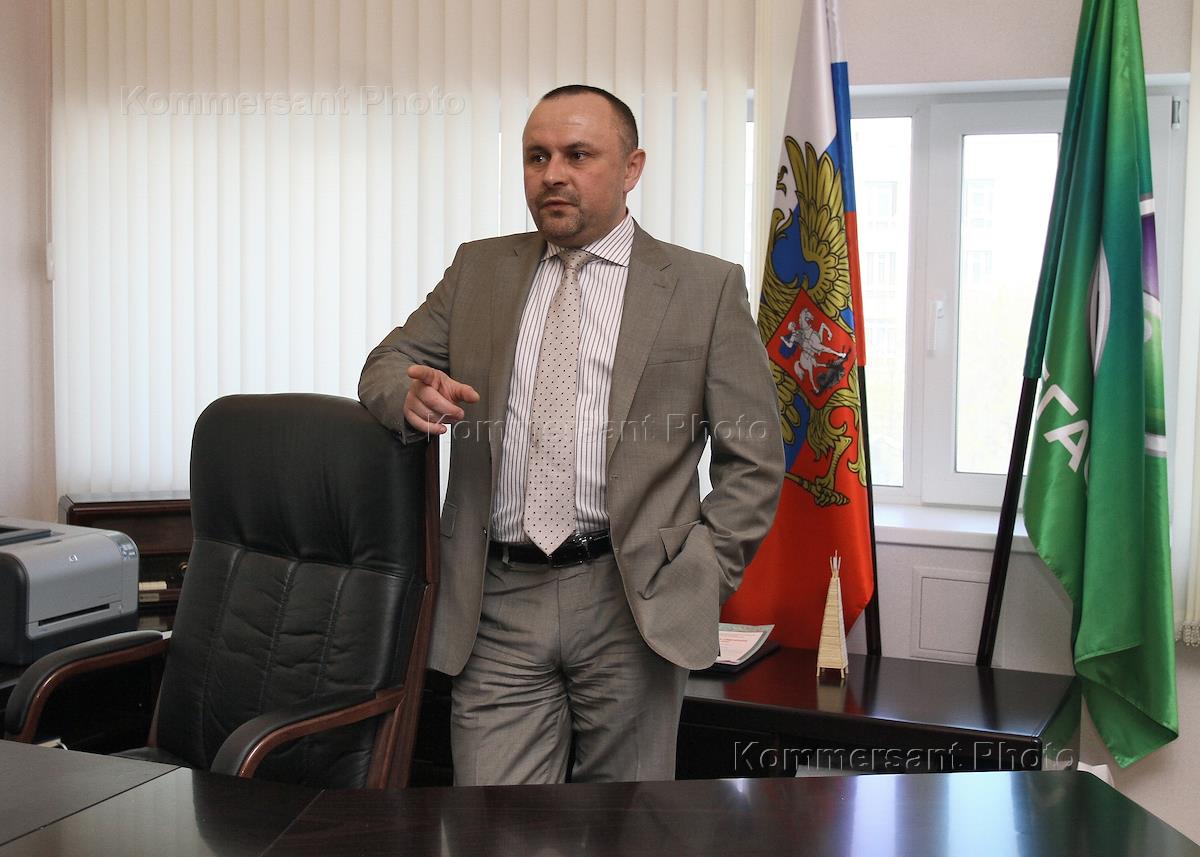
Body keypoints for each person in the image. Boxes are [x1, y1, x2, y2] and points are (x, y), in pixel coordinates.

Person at [359, 84, 783, 785]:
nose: (552, 173)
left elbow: (755, 460)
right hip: (495, 599)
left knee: (630, 823)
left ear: (632, 168)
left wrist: (700, 575)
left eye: (578, 155)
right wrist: (406, 396)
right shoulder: (478, 270)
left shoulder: (703, 288)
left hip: (633, 597)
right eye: (537, 156)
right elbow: (385, 364)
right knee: (494, 824)